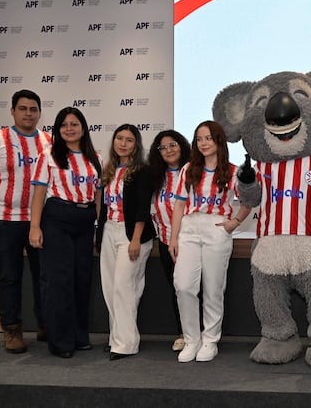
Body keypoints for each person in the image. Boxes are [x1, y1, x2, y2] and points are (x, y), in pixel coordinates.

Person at [0, 89, 51, 353]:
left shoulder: (49, 141)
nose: (28, 113)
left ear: (39, 112)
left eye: (33, 109)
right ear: (13, 111)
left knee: (44, 276)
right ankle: (12, 330)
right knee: (9, 277)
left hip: (40, 221)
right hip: (4, 221)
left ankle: (45, 325)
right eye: (23, 108)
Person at [169, 120, 251, 363]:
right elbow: (179, 204)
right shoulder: (188, 169)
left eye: (208, 138)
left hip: (217, 228)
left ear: (219, 141)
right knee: (183, 285)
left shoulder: (234, 171)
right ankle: (192, 339)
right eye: (199, 139)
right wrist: (173, 237)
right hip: (189, 229)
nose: (203, 143)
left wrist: (233, 223)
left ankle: (210, 340)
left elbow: (249, 200)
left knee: (213, 289)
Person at [29, 107, 102, 358]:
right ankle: (60, 341)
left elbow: (98, 197)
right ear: (57, 130)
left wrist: (97, 228)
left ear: (83, 127)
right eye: (63, 125)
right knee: (59, 281)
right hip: (57, 219)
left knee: (82, 280)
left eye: (74, 124)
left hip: (85, 221)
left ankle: (79, 336)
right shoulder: (48, 155)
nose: (69, 129)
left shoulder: (96, 158)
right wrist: (35, 226)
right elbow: (39, 193)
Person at [96, 124, 156, 360]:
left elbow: (142, 208)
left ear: (136, 145)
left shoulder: (142, 171)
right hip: (109, 231)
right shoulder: (109, 170)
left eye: (129, 140)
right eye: (119, 138)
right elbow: (103, 207)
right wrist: (99, 235)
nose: (123, 143)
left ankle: (126, 344)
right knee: (110, 289)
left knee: (124, 287)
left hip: (132, 234)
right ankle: (116, 338)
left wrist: (136, 240)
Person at [148, 130, 192, 352]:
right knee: (176, 288)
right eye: (163, 147)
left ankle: (202, 334)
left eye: (172, 144)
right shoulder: (156, 177)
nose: (168, 150)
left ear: (182, 145)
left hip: (192, 242)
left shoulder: (194, 172)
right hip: (166, 242)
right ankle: (183, 333)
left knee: (194, 289)